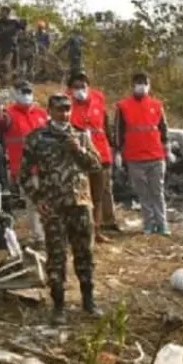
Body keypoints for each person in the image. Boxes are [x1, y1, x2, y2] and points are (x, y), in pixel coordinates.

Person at [19, 93, 103, 324]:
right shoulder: (37, 138)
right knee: (56, 256)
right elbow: (23, 175)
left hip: (80, 204)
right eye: (59, 109)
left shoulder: (80, 135)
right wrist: (38, 199)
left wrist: (79, 150)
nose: (64, 114)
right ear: (50, 111)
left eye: (67, 109)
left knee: (84, 253)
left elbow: (96, 166)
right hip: (54, 206)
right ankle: (58, 307)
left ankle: (89, 301)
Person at [114, 72, 169, 235]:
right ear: (132, 85)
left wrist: (167, 147)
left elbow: (163, 128)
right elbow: (118, 130)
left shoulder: (157, 105)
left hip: (155, 156)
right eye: (138, 83)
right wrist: (117, 151)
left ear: (149, 85)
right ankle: (148, 223)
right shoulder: (123, 106)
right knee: (143, 193)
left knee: (157, 191)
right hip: (135, 157)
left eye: (144, 83)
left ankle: (162, 223)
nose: (141, 86)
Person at [67, 72, 116, 239]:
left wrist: (113, 149)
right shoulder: (65, 105)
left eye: (83, 86)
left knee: (98, 194)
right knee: (79, 196)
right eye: (76, 87)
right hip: (78, 156)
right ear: (70, 89)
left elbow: (106, 125)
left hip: (100, 153)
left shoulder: (98, 100)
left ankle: (96, 229)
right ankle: (80, 230)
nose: (80, 90)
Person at [0, 81, 48, 183]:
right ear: (16, 94)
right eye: (23, 92)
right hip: (19, 169)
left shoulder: (41, 113)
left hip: (43, 169)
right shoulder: (8, 114)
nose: (26, 95)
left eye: (28, 92)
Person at [0, 5, 26, 76]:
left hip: (12, 46)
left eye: (4, 11)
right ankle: (4, 80)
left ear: (8, 12)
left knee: (7, 64)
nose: (2, 13)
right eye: (2, 11)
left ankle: (12, 79)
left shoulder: (14, 22)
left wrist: (19, 36)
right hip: (1, 46)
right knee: (0, 66)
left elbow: (23, 28)